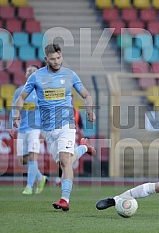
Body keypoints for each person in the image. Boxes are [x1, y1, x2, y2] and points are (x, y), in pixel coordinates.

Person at [13, 43, 96, 211]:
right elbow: (21, 97)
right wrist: (16, 114)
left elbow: (86, 95)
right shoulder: (36, 77)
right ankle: (82, 148)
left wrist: (89, 109)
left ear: (61, 56)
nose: (57, 61)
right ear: (46, 59)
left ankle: (65, 199)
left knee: (65, 161)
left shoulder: (70, 75)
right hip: (48, 129)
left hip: (66, 124)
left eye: (59, 58)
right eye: (53, 59)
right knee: (66, 162)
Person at [11, 65, 47, 195]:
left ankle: (29, 187)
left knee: (32, 157)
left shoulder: (41, 92)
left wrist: (44, 129)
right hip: (22, 128)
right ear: (25, 74)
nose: (30, 72)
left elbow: (45, 111)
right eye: (29, 71)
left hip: (35, 128)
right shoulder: (19, 92)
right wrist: (11, 124)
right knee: (22, 159)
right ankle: (40, 177)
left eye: (34, 71)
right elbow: (14, 108)